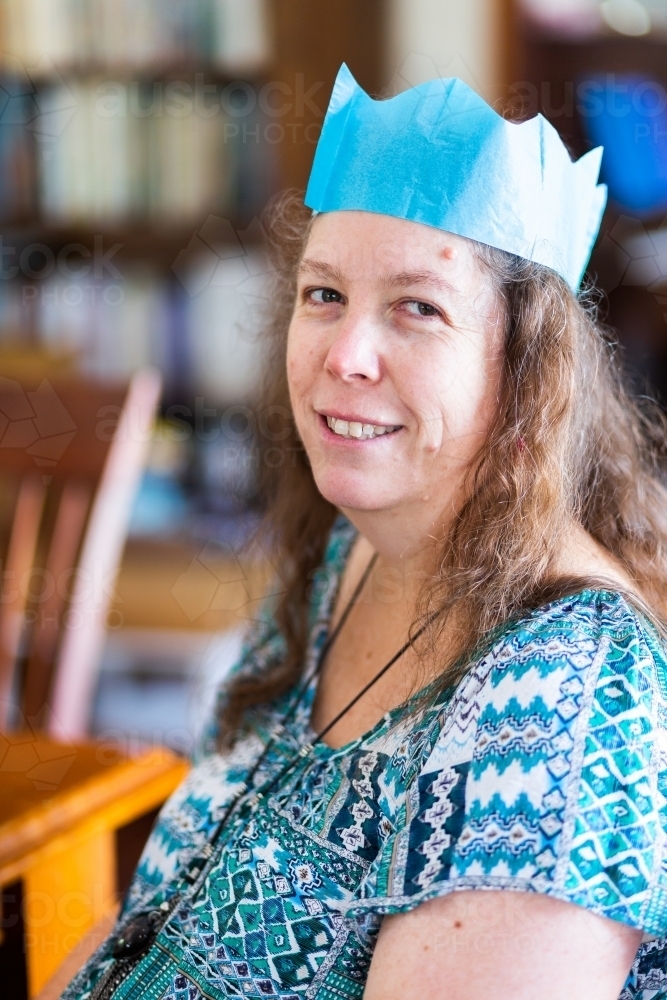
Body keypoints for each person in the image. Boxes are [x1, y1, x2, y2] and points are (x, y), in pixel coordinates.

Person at [64, 67, 667, 1000]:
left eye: (417, 308)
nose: (343, 355)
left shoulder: (566, 691)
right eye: (324, 295)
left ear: (526, 376)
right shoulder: (340, 557)